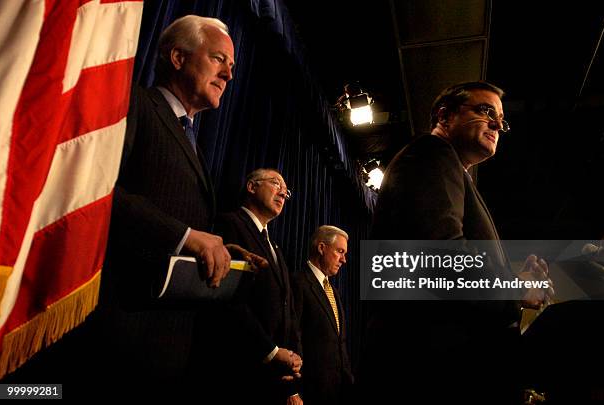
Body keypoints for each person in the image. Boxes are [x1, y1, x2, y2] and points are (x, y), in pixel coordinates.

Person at [93, 15, 267, 390]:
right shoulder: (136, 103)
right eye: (219, 59)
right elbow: (99, 193)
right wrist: (186, 236)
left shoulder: (193, 141)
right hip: (123, 331)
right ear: (177, 57)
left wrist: (218, 249)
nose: (229, 75)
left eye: (232, 66)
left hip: (172, 344)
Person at [361, 81, 553, 403]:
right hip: (437, 371)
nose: (496, 124)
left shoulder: (449, 168)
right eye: (485, 110)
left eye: (501, 119)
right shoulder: (431, 155)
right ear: (445, 116)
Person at [213, 168, 303, 405]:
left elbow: (288, 310)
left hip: (274, 380)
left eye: (286, 192)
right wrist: (272, 352)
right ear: (252, 187)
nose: (283, 194)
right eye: (276, 184)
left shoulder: (275, 246)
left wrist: (293, 361)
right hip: (239, 373)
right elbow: (228, 299)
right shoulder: (230, 224)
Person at [292, 225, 354, 405]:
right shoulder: (298, 283)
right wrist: (293, 390)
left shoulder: (333, 291)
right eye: (340, 251)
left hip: (338, 391)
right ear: (321, 248)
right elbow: (293, 337)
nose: (344, 259)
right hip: (311, 392)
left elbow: (338, 342)